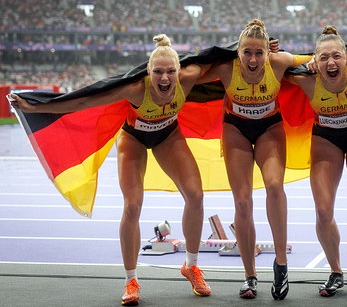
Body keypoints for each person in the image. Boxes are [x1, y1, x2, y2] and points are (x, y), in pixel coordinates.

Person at [9, 34, 213, 306]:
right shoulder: (134, 89)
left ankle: (192, 266)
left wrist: (272, 55)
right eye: (158, 72)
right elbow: (84, 101)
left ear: (180, 71)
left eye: (171, 72)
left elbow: (227, 60)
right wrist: (37, 105)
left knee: (196, 196)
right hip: (133, 139)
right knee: (132, 205)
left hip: (168, 135)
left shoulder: (189, 77)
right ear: (148, 71)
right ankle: (131, 279)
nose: (165, 79)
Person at [197, 19, 310, 300]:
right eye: (247, 52)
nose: (253, 59)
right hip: (235, 130)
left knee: (274, 187)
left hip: (270, 129)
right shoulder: (226, 68)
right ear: (238, 52)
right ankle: (249, 276)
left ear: (268, 53)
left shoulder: (279, 62)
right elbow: (188, 71)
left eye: (259, 53)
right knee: (243, 201)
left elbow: (317, 57)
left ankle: (281, 265)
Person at [285, 26, 347, 298]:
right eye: (324, 57)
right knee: (323, 211)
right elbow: (272, 67)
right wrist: (304, 60)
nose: (331, 63)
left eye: (337, 56)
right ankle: (336, 271)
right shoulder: (305, 79)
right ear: (315, 59)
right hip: (325, 139)